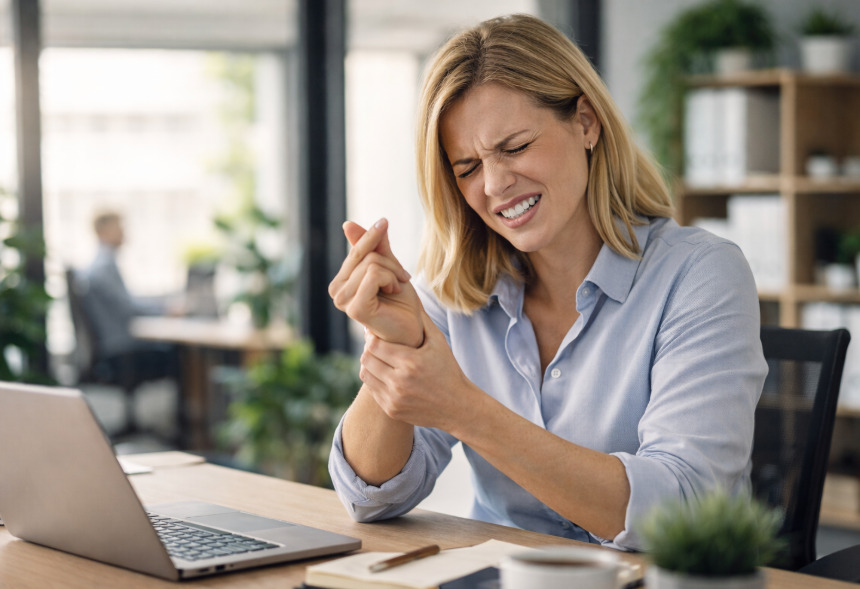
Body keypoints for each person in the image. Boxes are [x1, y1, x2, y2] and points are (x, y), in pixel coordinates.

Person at [326, 14, 767, 551]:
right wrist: (397, 343)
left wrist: (464, 408)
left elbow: (684, 511)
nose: (495, 184)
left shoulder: (700, 275)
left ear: (586, 122)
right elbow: (369, 498)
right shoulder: (456, 291)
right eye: (467, 168)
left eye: (514, 147)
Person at [78, 210, 181, 432]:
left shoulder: (99, 266)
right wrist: (165, 308)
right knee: (181, 355)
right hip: (120, 349)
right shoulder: (104, 267)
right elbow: (129, 308)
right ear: (102, 231)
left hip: (115, 345)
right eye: (119, 227)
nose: (124, 232)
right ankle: (186, 429)